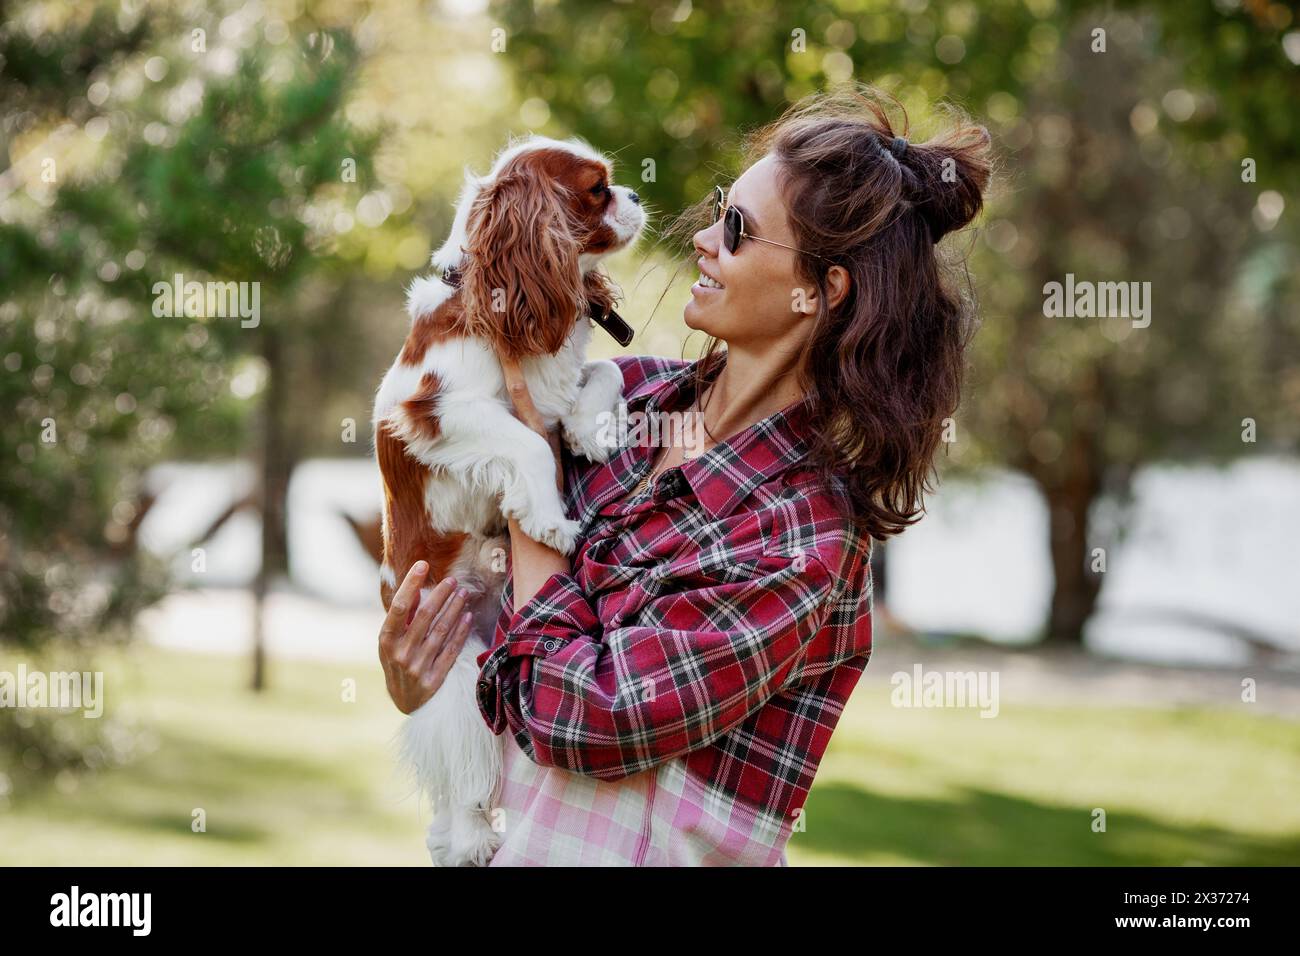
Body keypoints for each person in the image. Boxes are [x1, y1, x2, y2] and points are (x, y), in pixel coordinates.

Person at [378, 85, 992, 865]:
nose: (703, 238)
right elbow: (488, 655)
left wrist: (527, 465)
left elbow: (580, 720)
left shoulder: (799, 540)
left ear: (823, 289)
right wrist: (420, 681)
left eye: (737, 229)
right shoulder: (621, 402)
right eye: (716, 209)